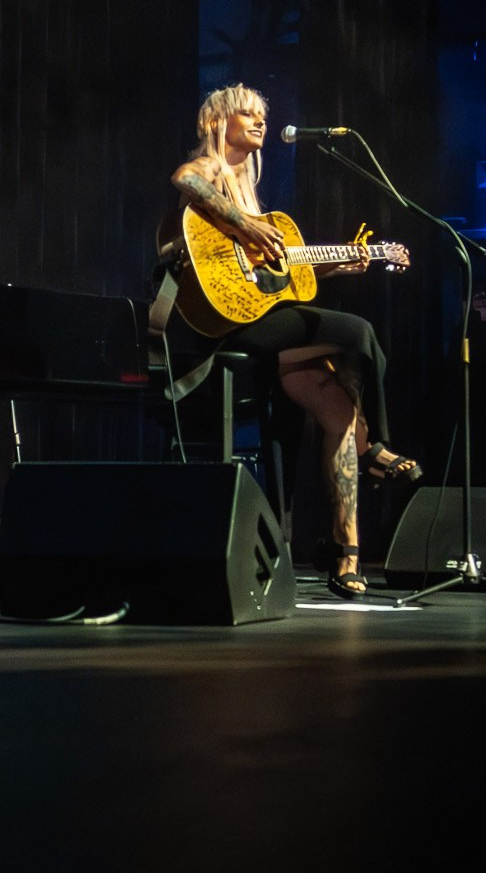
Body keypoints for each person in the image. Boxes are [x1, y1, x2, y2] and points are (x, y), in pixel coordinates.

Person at [165, 83, 421, 599]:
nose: (261, 122)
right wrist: (243, 225)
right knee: (358, 333)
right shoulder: (213, 171)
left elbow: (278, 286)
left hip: (268, 320)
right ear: (219, 121)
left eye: (264, 115)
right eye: (249, 114)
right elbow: (184, 177)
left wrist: (337, 265)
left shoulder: (257, 195)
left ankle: (345, 552)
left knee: (340, 412)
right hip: (229, 324)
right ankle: (380, 448)